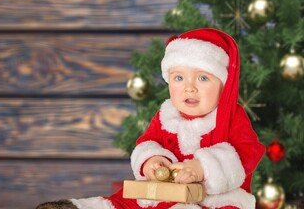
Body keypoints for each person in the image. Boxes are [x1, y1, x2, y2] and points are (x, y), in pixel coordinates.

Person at [36, 28, 266, 209]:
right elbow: (148, 142)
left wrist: (203, 168)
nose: (189, 88)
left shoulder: (230, 117)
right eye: (178, 78)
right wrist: (152, 161)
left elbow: (248, 151)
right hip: (166, 193)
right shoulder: (167, 115)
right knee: (126, 203)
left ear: (223, 85)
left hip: (215, 199)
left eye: (203, 78)